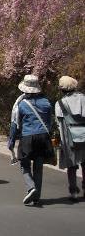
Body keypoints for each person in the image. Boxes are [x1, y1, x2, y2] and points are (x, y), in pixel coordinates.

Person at [8, 74, 54, 205]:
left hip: (28, 137)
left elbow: (15, 123)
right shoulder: (46, 102)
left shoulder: (21, 104)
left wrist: (11, 141)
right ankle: (36, 196)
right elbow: (50, 122)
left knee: (24, 164)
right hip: (43, 137)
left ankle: (31, 187)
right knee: (38, 167)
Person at [54, 75, 85, 201]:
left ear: (62, 89)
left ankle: (73, 191)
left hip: (69, 136)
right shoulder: (83, 99)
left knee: (72, 165)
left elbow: (59, 122)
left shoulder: (60, 103)